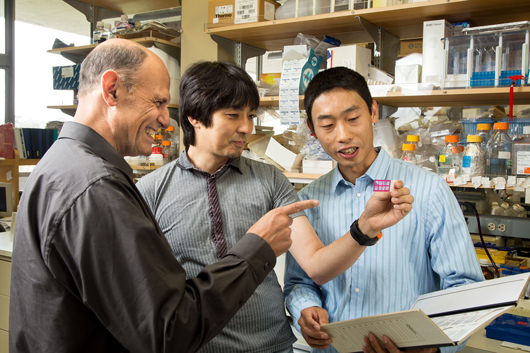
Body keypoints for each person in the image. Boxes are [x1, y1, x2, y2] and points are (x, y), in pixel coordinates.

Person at [8, 39, 319, 353]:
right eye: (157, 102)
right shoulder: (96, 187)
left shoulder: (56, 166)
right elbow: (167, 331)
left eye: (250, 116)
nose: (164, 118)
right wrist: (255, 250)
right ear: (112, 89)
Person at [136, 61, 414, 353]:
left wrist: (365, 228)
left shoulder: (269, 180)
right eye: (233, 115)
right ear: (194, 116)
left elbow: (317, 266)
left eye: (251, 115)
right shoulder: (151, 192)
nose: (246, 128)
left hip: (271, 346)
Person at [284, 67, 484, 353]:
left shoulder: (429, 191)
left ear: (373, 112)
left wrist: (434, 347)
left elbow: (464, 287)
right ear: (312, 129)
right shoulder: (309, 201)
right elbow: (298, 282)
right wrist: (307, 308)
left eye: (353, 119)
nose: (343, 135)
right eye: (327, 125)